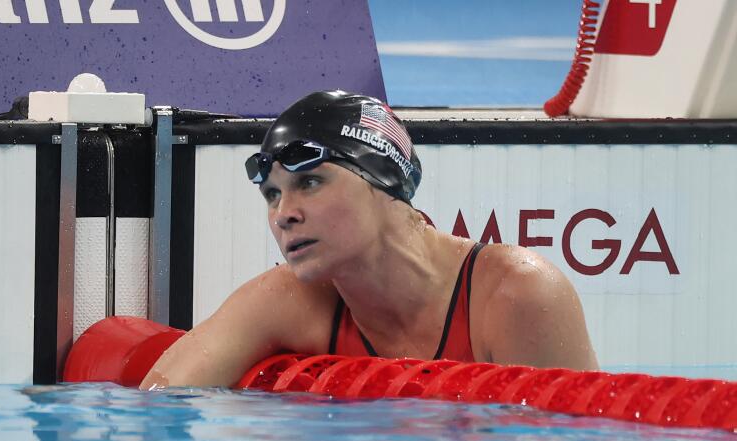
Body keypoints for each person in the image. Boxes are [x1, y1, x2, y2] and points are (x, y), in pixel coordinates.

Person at [140, 90, 597, 390]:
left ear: (382, 182)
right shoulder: (290, 299)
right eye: (272, 195)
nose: (284, 214)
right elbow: (159, 402)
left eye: (311, 183)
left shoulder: (515, 296)